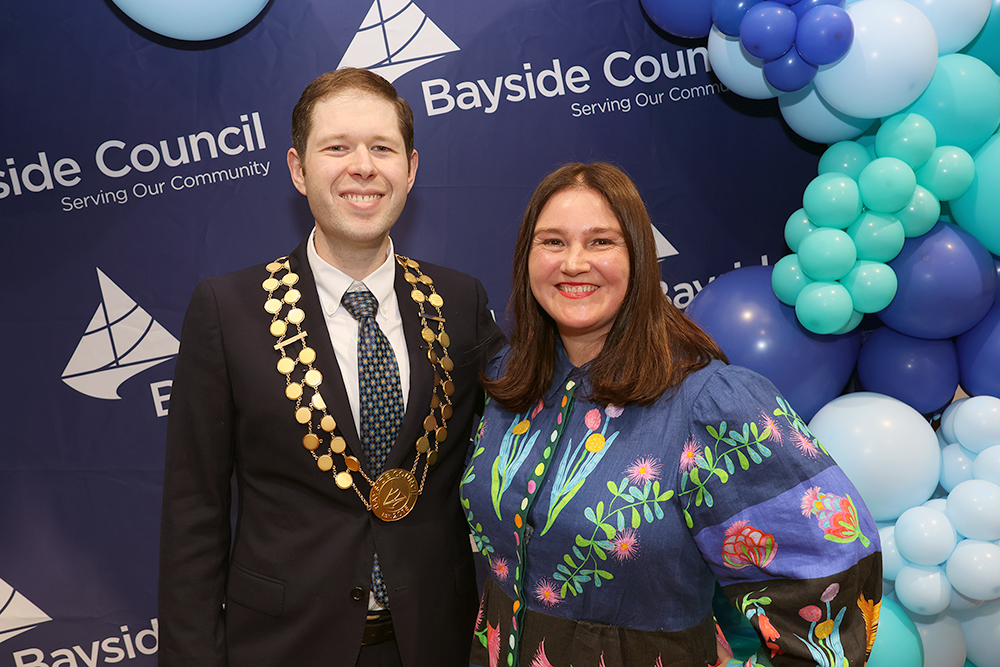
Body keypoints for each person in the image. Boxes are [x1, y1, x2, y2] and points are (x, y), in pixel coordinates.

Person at [459, 162, 882, 667]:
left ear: (640, 257)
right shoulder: (510, 378)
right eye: (552, 242)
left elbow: (833, 569)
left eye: (601, 242)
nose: (573, 263)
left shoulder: (710, 404)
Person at [158, 68, 504, 667]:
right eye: (337, 147)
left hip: (433, 642)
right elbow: (194, 515)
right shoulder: (227, 310)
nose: (363, 167)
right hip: (283, 646)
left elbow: (534, 427)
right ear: (298, 169)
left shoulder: (460, 302)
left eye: (382, 148)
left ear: (411, 169)